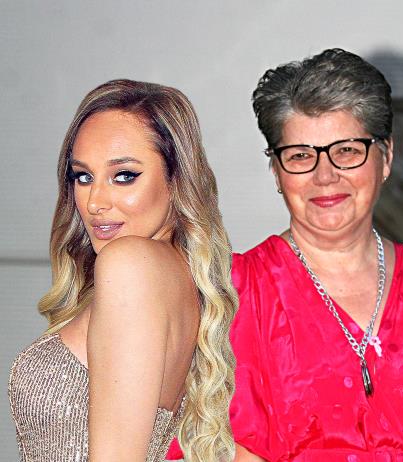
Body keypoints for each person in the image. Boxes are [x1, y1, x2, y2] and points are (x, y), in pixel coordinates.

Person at [167, 48, 403, 461]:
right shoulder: (234, 292)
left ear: (386, 157)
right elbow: (199, 442)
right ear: (276, 172)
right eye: (300, 156)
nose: (324, 176)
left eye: (346, 150)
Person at [8, 79, 237, 462]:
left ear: (176, 180)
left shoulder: (129, 265)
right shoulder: (175, 275)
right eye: (83, 176)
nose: (95, 202)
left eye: (124, 175)